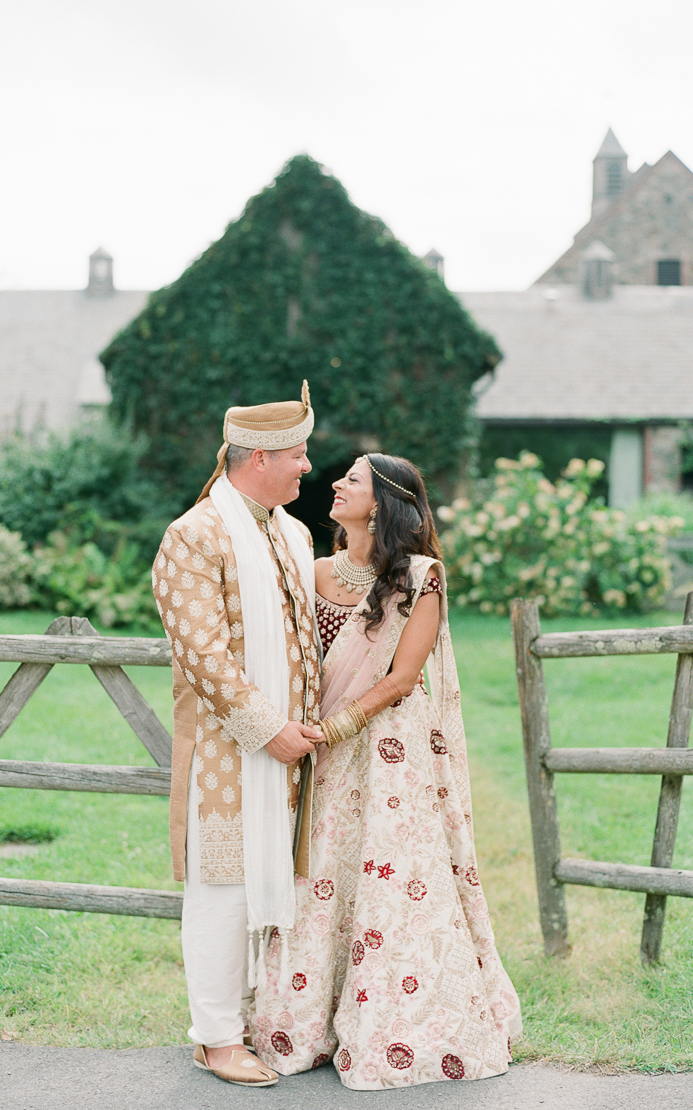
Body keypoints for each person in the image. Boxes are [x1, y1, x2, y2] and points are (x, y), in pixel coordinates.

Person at [250, 453, 522, 1090]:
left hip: (386, 750)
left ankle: (397, 1020)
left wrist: (338, 727)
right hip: (319, 744)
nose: (337, 483)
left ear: (381, 503)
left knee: (392, 875)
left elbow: (403, 676)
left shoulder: (419, 578)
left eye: (353, 479)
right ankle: (310, 1017)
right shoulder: (312, 571)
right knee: (322, 873)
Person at [151, 382, 323, 1088]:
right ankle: (216, 1039)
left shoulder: (292, 531)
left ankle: (266, 1019)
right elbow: (204, 656)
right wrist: (268, 731)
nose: (309, 466)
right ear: (260, 458)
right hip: (227, 755)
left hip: (289, 754)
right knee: (222, 889)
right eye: (300, 453)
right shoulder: (193, 536)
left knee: (276, 880)